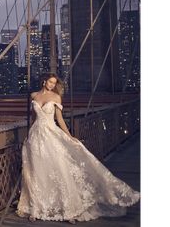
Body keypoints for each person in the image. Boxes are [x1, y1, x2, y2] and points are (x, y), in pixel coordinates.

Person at [16, 72, 140, 224]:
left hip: (50, 134)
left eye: (54, 83)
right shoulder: (34, 96)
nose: (52, 85)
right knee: (37, 171)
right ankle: (36, 208)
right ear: (44, 81)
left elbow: (60, 119)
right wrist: (29, 135)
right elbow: (33, 118)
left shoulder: (56, 98)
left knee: (58, 168)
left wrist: (69, 136)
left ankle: (69, 209)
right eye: (50, 82)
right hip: (35, 137)